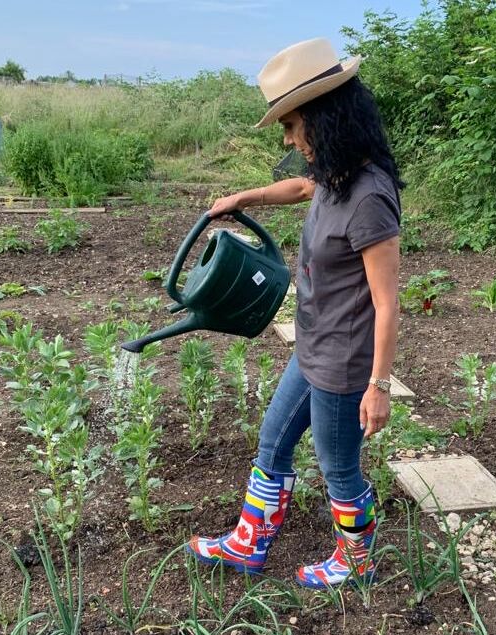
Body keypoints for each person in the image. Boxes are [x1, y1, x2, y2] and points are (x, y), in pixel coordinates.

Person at [188, 37, 403, 589]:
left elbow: (387, 303)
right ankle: (248, 545)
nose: (287, 137)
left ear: (323, 117)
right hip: (312, 347)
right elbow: (302, 187)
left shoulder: (369, 197)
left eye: (290, 124)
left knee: (338, 466)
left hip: (343, 362)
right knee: (273, 442)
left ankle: (356, 562)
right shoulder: (336, 174)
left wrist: (378, 386)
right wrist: (245, 198)